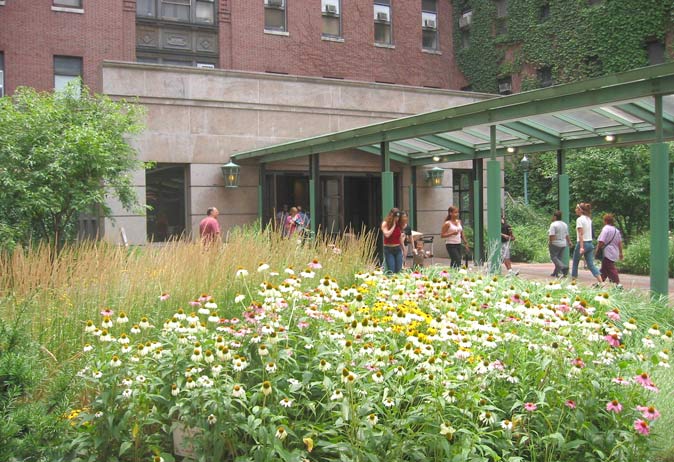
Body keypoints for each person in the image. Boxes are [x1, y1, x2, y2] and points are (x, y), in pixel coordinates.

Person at [570, 202, 603, 284]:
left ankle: (573, 283)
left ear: (580, 210)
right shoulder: (589, 219)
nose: (575, 210)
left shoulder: (579, 219)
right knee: (591, 265)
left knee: (575, 263)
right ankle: (601, 282)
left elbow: (581, 234)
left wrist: (581, 247)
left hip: (582, 243)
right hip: (589, 243)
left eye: (576, 208)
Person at [595, 213, 624, 285]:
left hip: (606, 252)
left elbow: (601, 241)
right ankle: (600, 283)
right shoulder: (616, 230)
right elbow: (620, 243)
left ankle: (617, 284)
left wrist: (597, 249)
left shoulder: (605, 229)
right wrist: (621, 253)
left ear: (605, 221)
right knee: (604, 269)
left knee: (611, 268)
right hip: (614, 252)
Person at [548, 210, 572, 277]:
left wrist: (550, 243)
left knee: (553, 257)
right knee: (559, 258)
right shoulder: (564, 224)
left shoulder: (553, 224)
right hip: (563, 243)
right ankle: (555, 273)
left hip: (555, 243)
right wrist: (569, 242)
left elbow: (551, 235)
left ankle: (563, 267)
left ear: (555, 217)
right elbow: (567, 235)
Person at [381, 208, 405, 274]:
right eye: (395, 217)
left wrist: (403, 248)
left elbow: (399, 237)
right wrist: (393, 226)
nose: (396, 219)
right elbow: (387, 234)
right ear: (391, 216)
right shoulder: (385, 223)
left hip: (397, 249)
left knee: (399, 270)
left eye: (398, 217)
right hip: (388, 249)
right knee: (392, 269)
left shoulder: (398, 225)